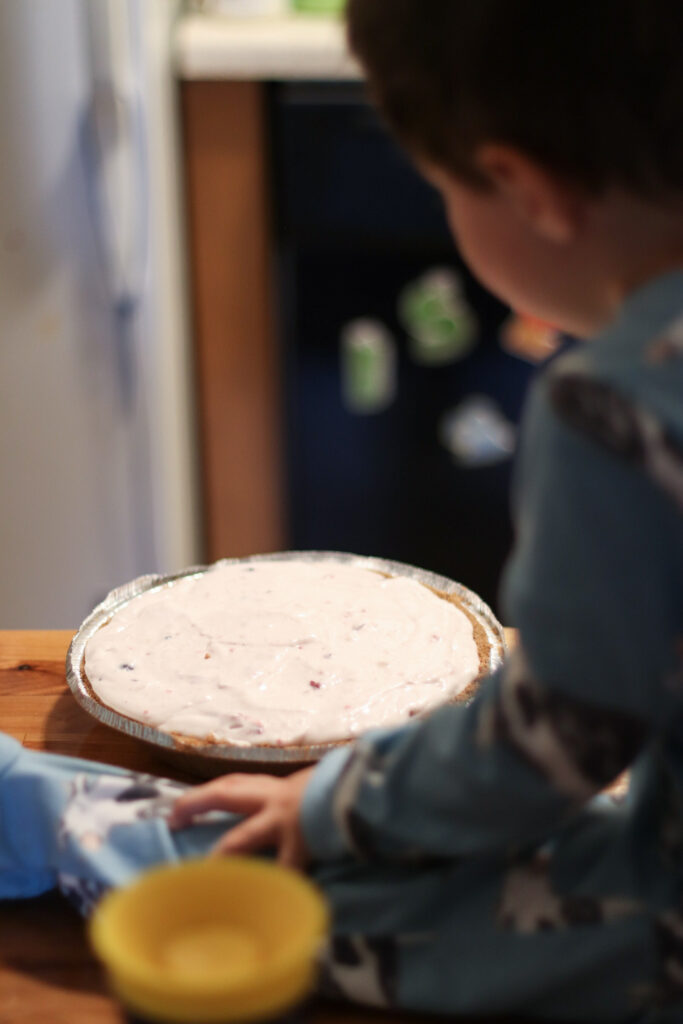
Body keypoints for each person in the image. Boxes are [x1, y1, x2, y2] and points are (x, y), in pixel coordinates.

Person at [2, 2, 682, 1020]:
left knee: (302, 892)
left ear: (521, 188)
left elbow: (546, 748)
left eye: (443, 187)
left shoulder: (613, 407)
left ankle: (59, 821)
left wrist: (328, 807)